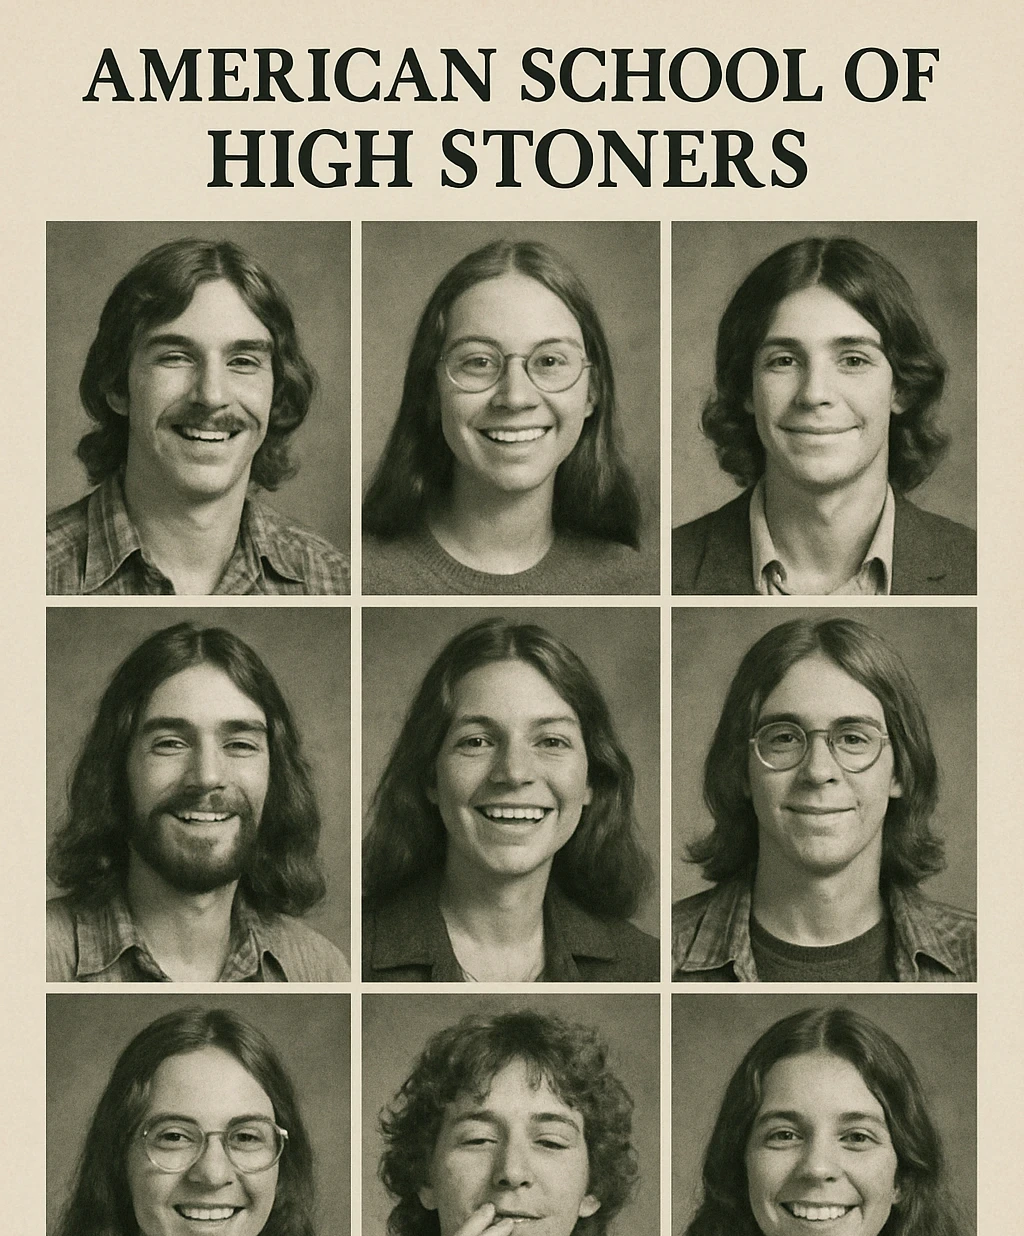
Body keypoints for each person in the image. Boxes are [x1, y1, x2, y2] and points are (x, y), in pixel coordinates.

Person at [672, 1007, 976, 1236]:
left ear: (903, 1179)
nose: (817, 1168)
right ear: (741, 1167)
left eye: (856, 1137)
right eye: (784, 1135)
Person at [47, 1007, 350, 1236]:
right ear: (117, 1160)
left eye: (245, 1137)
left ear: (281, 1165)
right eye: (174, 1136)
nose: (212, 1174)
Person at [363, 1009, 659, 1236]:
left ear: (592, 1188)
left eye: (550, 1141)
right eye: (478, 1140)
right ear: (426, 1180)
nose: (512, 1172)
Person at [671, 617, 975, 982]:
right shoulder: (664, 955)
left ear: (900, 772)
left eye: (853, 739)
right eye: (784, 738)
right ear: (742, 770)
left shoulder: (987, 956)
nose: (817, 771)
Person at [672, 236, 976, 595]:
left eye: (853, 360)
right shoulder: (672, 568)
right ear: (745, 388)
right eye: (784, 361)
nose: (815, 394)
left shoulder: (983, 569)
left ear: (902, 388)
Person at [47, 622, 349, 982]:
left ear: (275, 775)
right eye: (170, 743)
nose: (207, 777)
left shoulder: (320, 969)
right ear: (116, 770)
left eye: (240, 745)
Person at [47, 237, 349, 595]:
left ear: (276, 392)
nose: (211, 396)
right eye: (176, 356)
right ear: (117, 386)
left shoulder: (330, 579)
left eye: (242, 362)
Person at [363, 617, 659, 981]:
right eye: (477, 741)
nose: (514, 773)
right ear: (430, 778)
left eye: (551, 741)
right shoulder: (354, 960)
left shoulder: (646, 966)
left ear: (591, 781)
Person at [362, 238, 652, 595]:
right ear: (431, 391)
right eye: (479, 362)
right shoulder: (362, 577)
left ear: (592, 392)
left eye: (549, 361)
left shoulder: (638, 584)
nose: (515, 398)